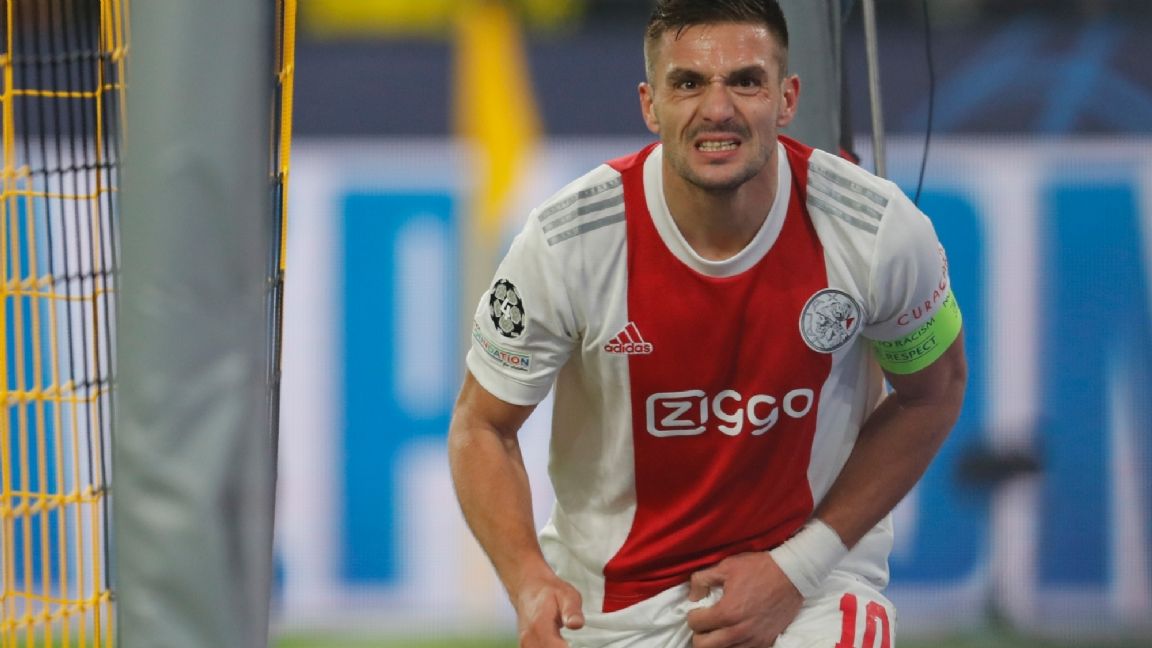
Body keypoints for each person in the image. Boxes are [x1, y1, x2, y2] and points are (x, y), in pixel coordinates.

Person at [448, 1, 967, 646]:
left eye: (745, 81)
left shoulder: (877, 228)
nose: (717, 109)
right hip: (611, 605)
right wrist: (528, 580)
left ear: (787, 98)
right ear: (650, 104)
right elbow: (482, 426)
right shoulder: (567, 241)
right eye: (689, 83)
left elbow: (935, 390)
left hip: (811, 588)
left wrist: (798, 568)